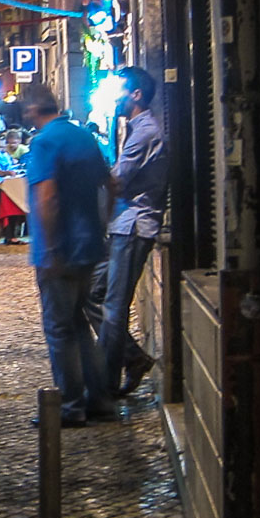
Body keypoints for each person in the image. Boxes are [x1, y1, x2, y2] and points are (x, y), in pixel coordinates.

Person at [22, 83, 114, 428]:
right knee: (80, 326)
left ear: (34, 109)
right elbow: (110, 183)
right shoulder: (84, 137)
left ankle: (71, 406)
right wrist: (101, 226)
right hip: (90, 244)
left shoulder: (44, 142)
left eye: (27, 110)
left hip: (61, 249)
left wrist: (50, 248)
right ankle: (101, 401)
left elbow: (46, 197)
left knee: (60, 329)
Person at [97, 66, 168, 397]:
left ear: (136, 95)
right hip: (122, 225)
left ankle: (104, 387)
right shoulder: (134, 130)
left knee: (113, 307)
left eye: (121, 91)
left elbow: (119, 178)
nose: (117, 98)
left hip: (134, 226)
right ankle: (133, 357)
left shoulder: (144, 133)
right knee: (92, 294)